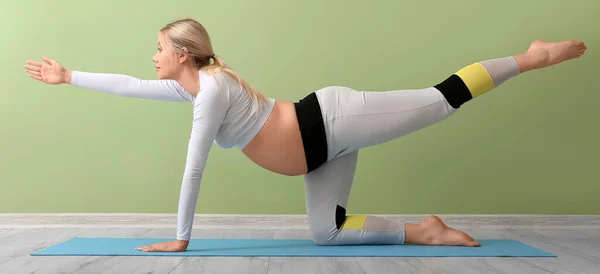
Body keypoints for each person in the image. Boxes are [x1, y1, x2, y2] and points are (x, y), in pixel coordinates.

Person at [24, 18, 587, 252]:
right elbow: (126, 86)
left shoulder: (214, 91)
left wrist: (182, 237)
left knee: (438, 101)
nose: (151, 59)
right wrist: (68, 75)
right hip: (319, 154)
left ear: (182, 54)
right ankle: (425, 231)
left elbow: (193, 166)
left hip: (331, 123)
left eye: (158, 50)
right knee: (328, 233)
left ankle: (530, 59)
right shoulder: (192, 90)